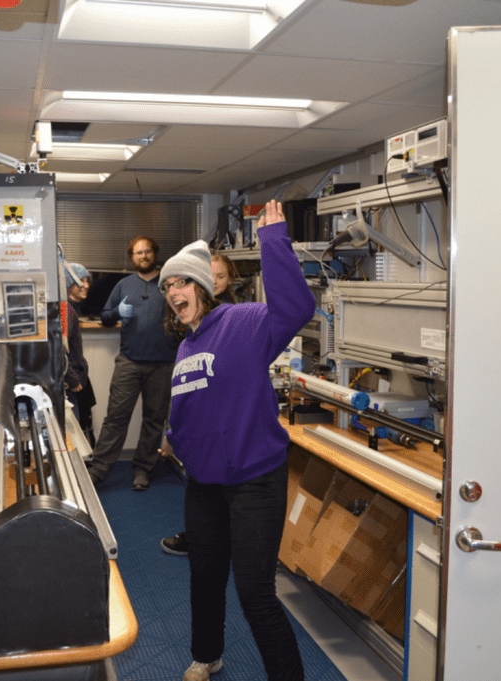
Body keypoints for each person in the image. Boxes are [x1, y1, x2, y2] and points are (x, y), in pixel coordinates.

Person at [158, 200, 313, 681]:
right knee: (204, 577)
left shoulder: (243, 324)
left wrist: (274, 242)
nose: (172, 292)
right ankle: (208, 654)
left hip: (254, 480)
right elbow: (188, 405)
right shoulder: (186, 345)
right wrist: (172, 435)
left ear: (202, 286)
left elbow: (297, 308)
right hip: (203, 483)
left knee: (255, 594)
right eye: (166, 286)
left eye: (180, 281)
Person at [86, 236, 180, 491]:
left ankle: (142, 469)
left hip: (163, 363)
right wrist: (117, 313)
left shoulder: (169, 284)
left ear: (155, 253)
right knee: (115, 418)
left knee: (154, 419)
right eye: (138, 253)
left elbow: (184, 315)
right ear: (132, 257)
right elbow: (105, 318)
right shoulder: (123, 285)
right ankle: (98, 471)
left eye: (147, 251)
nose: (143, 256)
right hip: (129, 362)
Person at [160, 251, 238, 557]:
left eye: (220, 277)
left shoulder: (235, 319)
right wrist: (171, 433)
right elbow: (184, 393)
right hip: (201, 443)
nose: (215, 282)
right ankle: (202, 539)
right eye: (169, 286)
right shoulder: (188, 339)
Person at [64, 262, 96, 447]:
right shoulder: (66, 310)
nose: (86, 286)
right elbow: (61, 350)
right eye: (81, 282)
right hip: (71, 385)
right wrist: (74, 379)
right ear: (69, 284)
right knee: (73, 440)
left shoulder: (72, 309)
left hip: (75, 379)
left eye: (87, 281)